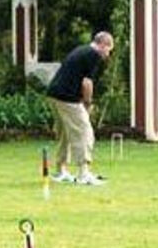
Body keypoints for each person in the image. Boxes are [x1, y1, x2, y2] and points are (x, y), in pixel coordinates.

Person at [46, 31, 114, 186]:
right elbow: (87, 83)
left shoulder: (82, 50)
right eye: (109, 49)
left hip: (54, 94)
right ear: (102, 44)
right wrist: (88, 104)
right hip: (67, 98)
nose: (108, 54)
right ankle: (84, 174)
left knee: (65, 133)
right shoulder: (93, 55)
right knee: (84, 131)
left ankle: (61, 171)